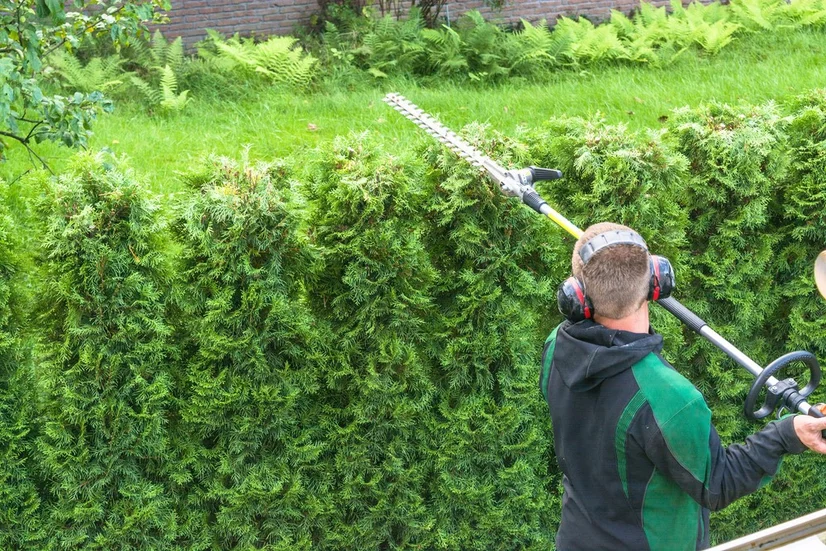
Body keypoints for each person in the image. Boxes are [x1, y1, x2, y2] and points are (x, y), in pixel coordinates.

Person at [539, 221, 826, 551]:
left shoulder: (556, 348)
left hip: (576, 540)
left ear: (575, 296)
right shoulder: (670, 398)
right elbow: (717, 483)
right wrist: (787, 433)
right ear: (658, 281)